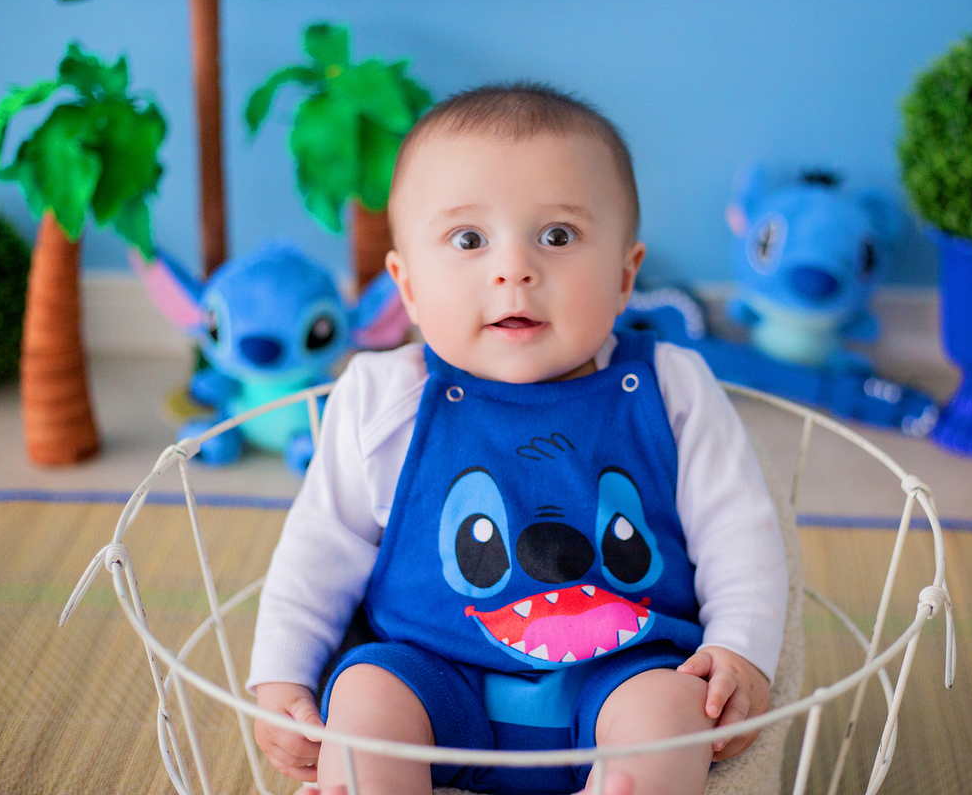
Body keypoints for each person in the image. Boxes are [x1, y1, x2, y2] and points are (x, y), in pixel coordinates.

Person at [247, 82, 789, 795]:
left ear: (625, 276)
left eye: (557, 236)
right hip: (428, 670)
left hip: (623, 669)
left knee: (674, 714)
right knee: (364, 702)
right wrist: (281, 674)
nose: (514, 269)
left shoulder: (672, 387)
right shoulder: (385, 396)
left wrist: (741, 649)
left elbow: (738, 530)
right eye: (468, 239)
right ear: (407, 288)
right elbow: (320, 545)